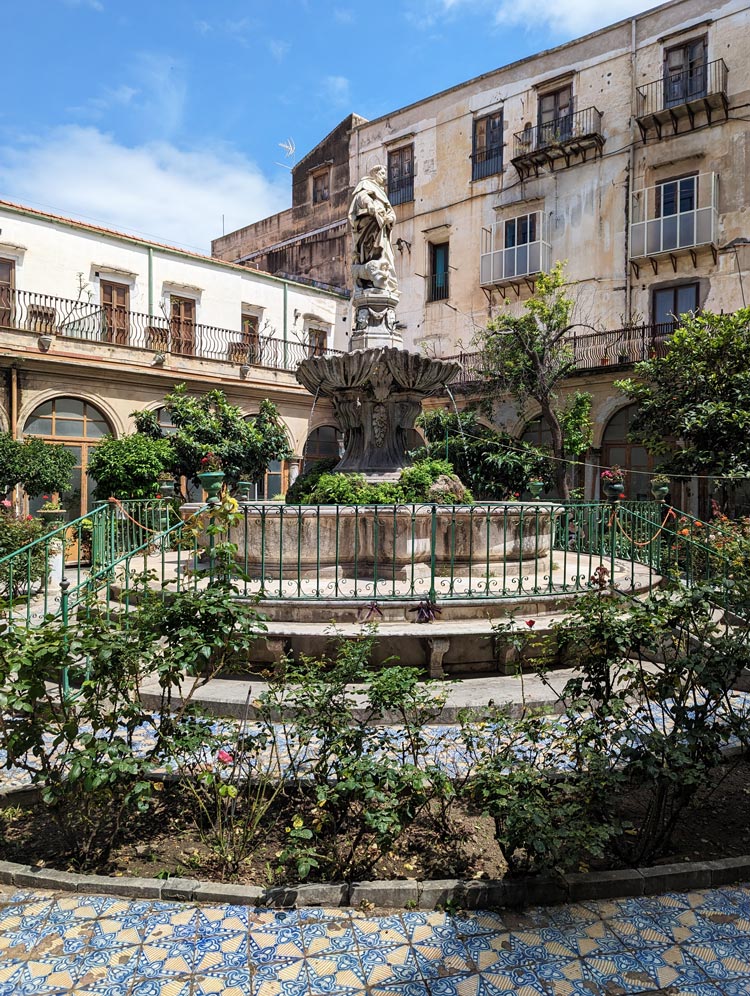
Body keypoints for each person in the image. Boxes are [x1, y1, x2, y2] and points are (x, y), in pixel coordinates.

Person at [348, 165, 399, 298]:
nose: (384, 176)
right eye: (382, 173)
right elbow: (361, 197)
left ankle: (381, 280)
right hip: (371, 226)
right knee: (370, 250)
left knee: (386, 256)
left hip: (382, 229)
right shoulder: (366, 184)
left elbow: (390, 211)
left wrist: (390, 218)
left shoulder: (381, 192)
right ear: (375, 173)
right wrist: (370, 204)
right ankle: (369, 280)